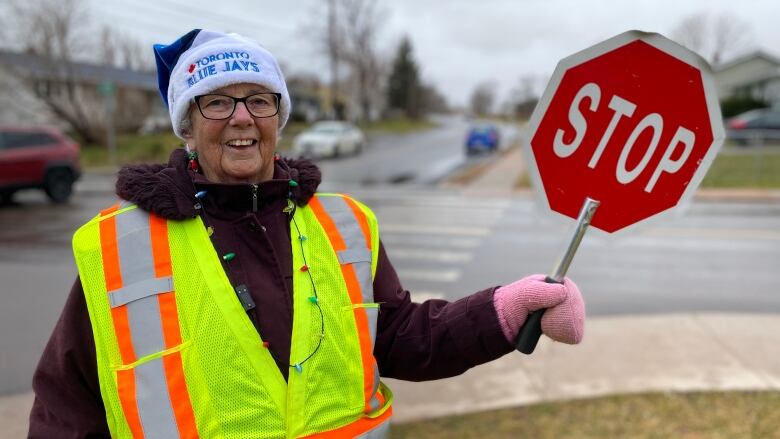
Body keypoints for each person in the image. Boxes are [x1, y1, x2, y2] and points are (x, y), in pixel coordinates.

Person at [28, 29, 585, 438]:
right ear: (188, 125)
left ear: (279, 116)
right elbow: (66, 408)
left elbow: (398, 338)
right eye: (218, 101)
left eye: (259, 99)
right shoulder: (123, 247)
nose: (242, 117)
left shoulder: (344, 225)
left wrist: (505, 311)